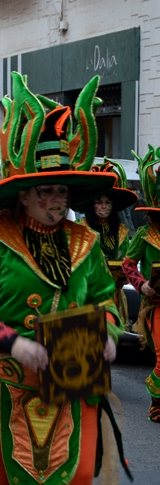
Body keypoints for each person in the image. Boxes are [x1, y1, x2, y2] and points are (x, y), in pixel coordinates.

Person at [0, 73, 128, 485]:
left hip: (74, 378)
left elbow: (103, 300)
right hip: (6, 385)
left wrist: (109, 334)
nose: (57, 200)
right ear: (22, 195)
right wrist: (15, 343)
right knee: (12, 476)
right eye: (45, 191)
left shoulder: (86, 241)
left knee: (77, 474)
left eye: (62, 191)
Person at [123, 146, 160, 423]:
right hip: (155, 304)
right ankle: (157, 404)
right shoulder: (145, 234)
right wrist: (142, 285)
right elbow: (127, 264)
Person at [76, 159, 137, 327]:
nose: (103, 206)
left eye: (108, 202)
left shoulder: (121, 232)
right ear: (91, 205)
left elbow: (129, 261)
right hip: (89, 297)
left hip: (116, 296)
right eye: (98, 202)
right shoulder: (81, 230)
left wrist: (125, 275)